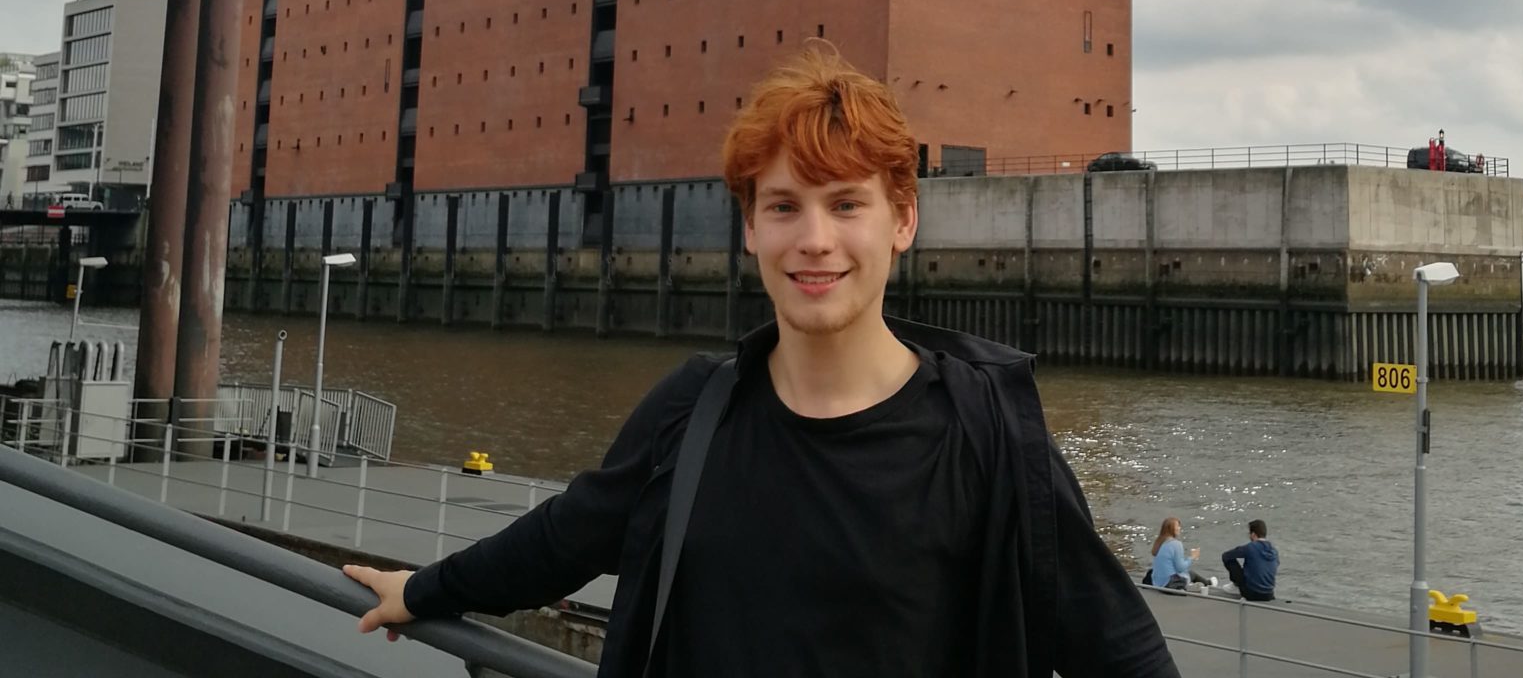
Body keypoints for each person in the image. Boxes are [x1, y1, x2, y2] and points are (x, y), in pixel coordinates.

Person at [344, 45, 1179, 678]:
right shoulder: (694, 412)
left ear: (902, 221)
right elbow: (565, 538)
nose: (813, 240)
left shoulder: (987, 432)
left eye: (846, 204)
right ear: (750, 229)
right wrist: (421, 592)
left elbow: (1119, 648)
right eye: (784, 207)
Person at [1220, 520, 1277, 602]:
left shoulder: (1251, 547)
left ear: (1253, 534)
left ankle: (1236, 586)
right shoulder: (1274, 551)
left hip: (1251, 593)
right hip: (1269, 594)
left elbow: (1227, 555)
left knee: (1227, 558)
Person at [1148, 516, 1201, 591]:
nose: (1180, 528)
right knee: (1191, 574)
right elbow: (1180, 568)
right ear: (1171, 529)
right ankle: (1208, 583)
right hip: (1169, 583)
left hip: (1156, 582)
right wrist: (1192, 557)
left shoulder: (1159, 542)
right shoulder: (1176, 544)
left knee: (1188, 573)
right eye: (1178, 526)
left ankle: (1208, 582)